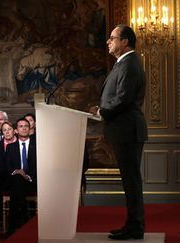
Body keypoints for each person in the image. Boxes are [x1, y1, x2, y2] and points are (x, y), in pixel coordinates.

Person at [89, 24, 147, 240]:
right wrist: (101, 108)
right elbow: (118, 96)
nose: (108, 41)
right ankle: (132, 225)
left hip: (128, 130)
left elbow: (123, 98)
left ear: (125, 42)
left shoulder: (129, 63)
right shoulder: (123, 63)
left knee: (131, 181)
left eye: (112, 38)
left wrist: (103, 110)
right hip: (123, 129)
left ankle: (135, 227)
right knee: (129, 181)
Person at [4, 118, 36, 235]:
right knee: (17, 179)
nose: (24, 128)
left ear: (30, 129)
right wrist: (17, 171)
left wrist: (27, 176)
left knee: (17, 187)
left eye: (26, 126)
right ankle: (24, 214)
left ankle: (12, 224)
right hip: (16, 180)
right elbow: (7, 166)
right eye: (21, 126)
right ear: (16, 130)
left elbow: (40, 166)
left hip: (32, 181)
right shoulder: (11, 147)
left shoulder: (37, 145)